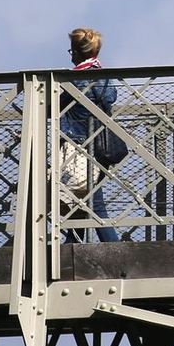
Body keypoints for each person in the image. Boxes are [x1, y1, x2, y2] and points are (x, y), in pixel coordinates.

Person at [59, 28, 120, 243]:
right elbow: (111, 99)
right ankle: (73, 243)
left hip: (78, 147)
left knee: (88, 200)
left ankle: (115, 250)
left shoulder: (74, 80)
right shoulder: (104, 78)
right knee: (86, 198)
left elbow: (52, 108)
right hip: (102, 146)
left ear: (76, 52)